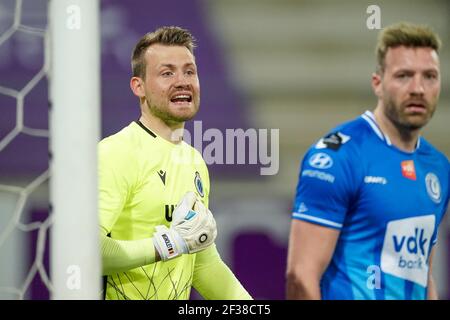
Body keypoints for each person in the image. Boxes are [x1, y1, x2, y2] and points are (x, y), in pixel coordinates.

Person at [286, 22, 449, 300]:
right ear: (378, 83)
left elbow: (422, 273)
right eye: (404, 76)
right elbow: (301, 276)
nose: (418, 88)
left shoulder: (439, 167)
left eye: (429, 76)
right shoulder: (337, 157)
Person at [98, 26, 252, 300]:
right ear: (139, 86)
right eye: (167, 73)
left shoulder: (193, 161)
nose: (182, 81)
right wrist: (170, 244)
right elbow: (85, 251)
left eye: (189, 71)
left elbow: (203, 263)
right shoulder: (115, 153)